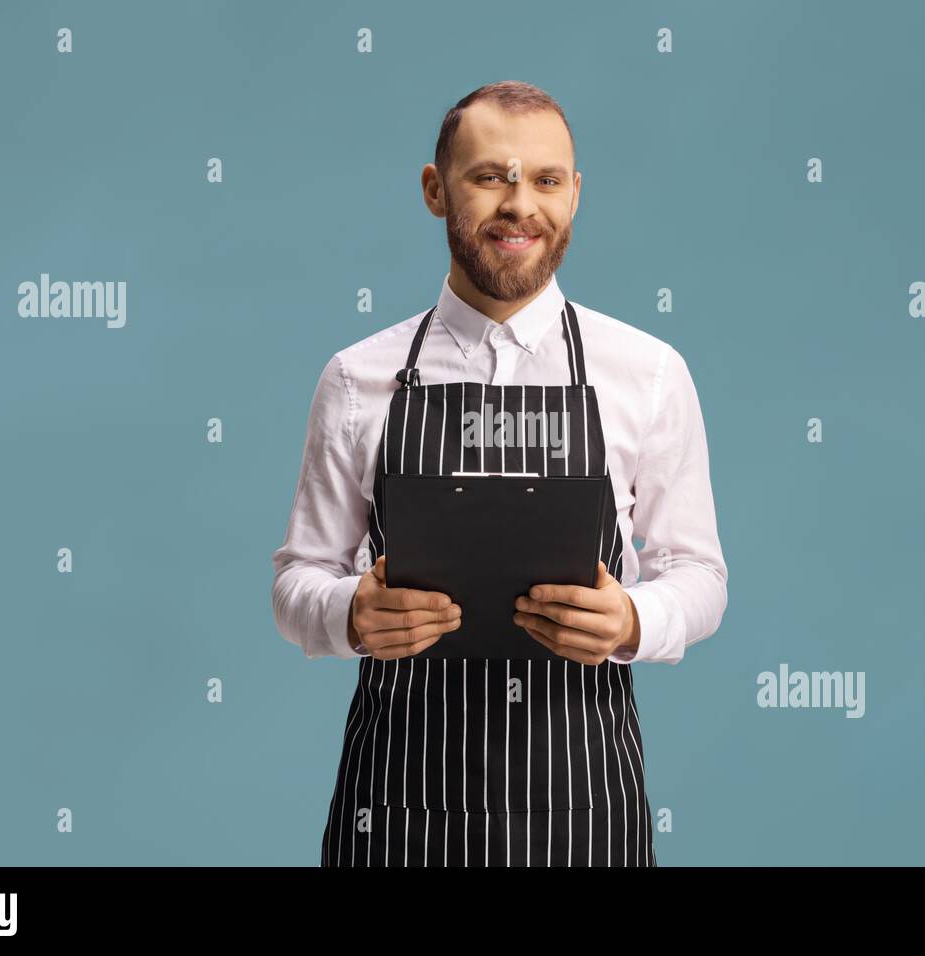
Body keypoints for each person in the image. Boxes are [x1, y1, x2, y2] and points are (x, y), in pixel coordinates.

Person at [271, 81, 727, 867]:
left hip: (584, 813)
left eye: (547, 180)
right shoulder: (357, 377)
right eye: (491, 177)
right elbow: (298, 579)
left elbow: (699, 574)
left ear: (575, 195)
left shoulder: (647, 372)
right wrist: (350, 613)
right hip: (399, 811)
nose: (522, 205)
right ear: (434, 189)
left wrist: (632, 622)